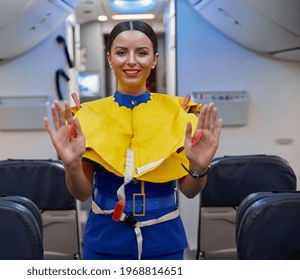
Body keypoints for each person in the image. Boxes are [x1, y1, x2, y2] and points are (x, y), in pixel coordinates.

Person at [44, 20, 222, 260]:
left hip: (164, 240)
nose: (131, 61)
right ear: (109, 58)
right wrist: (71, 165)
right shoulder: (87, 117)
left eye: (141, 52)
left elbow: (189, 191)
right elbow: (82, 194)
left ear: (154, 59)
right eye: (121, 52)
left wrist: (200, 168)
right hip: (106, 240)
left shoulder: (179, 115)